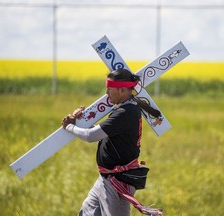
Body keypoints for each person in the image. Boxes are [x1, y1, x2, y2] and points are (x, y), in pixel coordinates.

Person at [62, 68, 163, 216]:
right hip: (106, 178)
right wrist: (78, 121)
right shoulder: (123, 109)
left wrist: (69, 127)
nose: (106, 93)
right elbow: (100, 132)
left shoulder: (125, 113)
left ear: (122, 90)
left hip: (117, 182)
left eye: (109, 89)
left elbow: (91, 136)